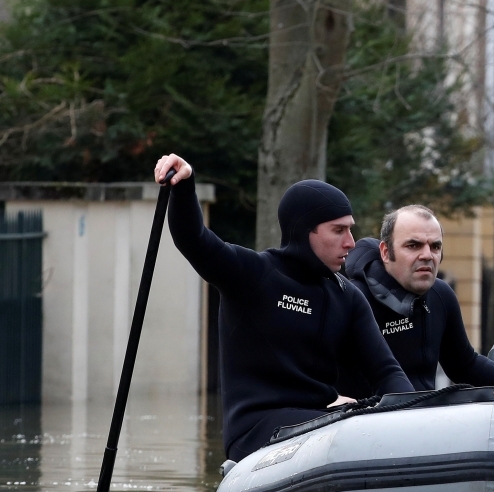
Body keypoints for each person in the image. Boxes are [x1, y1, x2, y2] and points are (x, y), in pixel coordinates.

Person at [156, 153, 410, 461]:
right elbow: (194, 240)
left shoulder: (348, 297)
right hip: (256, 429)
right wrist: (184, 186)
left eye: (350, 229)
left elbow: (386, 371)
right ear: (306, 231)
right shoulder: (253, 274)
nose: (351, 243)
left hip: (323, 420)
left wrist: (412, 417)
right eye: (339, 230)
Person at [337, 205, 494, 399]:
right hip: (361, 433)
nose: (426, 255)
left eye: (435, 246)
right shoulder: (352, 299)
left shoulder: (441, 295)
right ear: (386, 252)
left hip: (419, 424)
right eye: (413, 245)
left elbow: (464, 364)